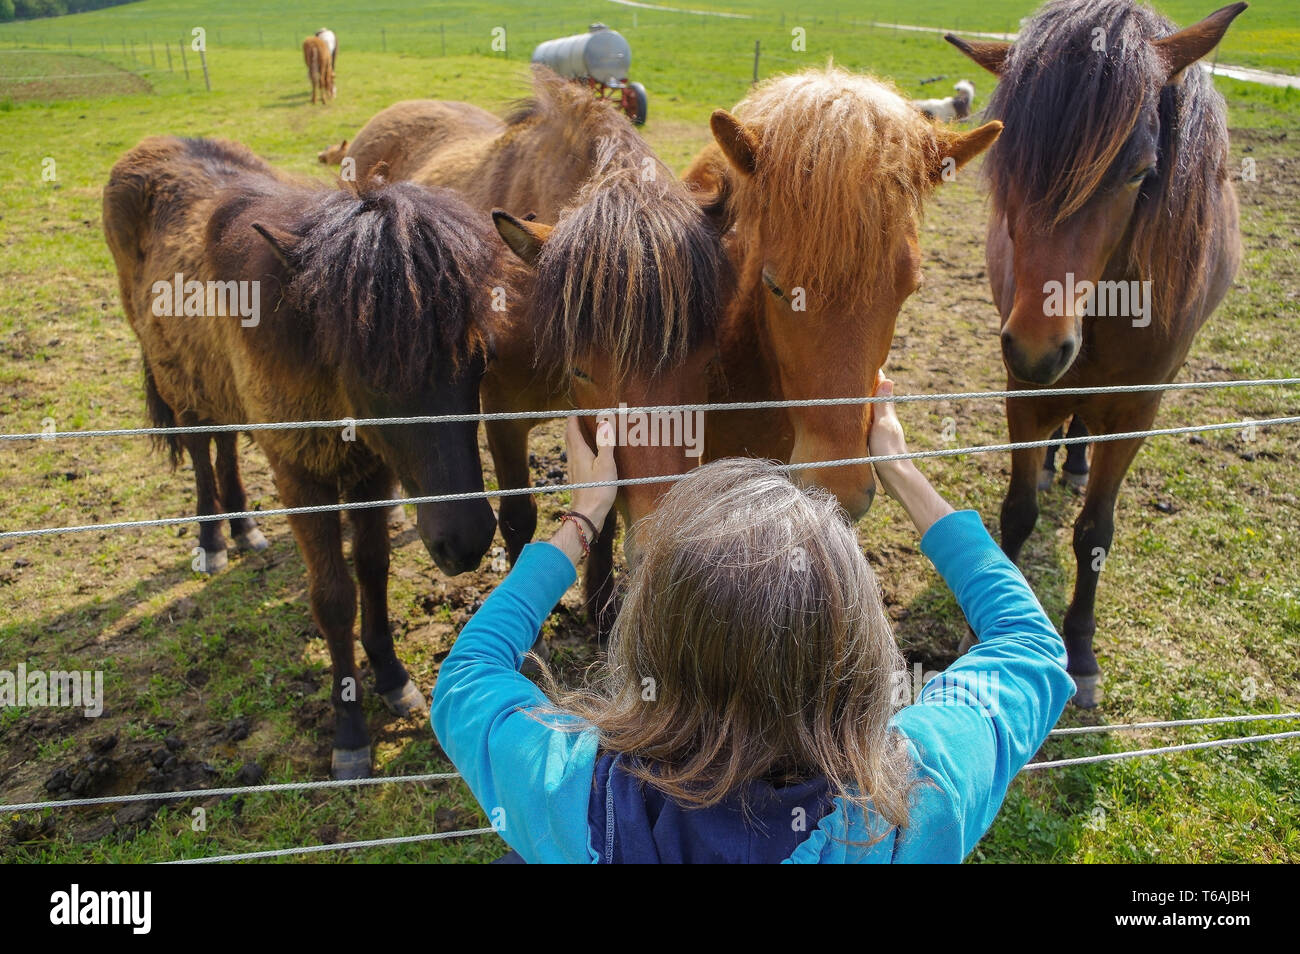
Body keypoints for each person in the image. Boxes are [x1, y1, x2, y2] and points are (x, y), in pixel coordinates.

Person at [431, 379, 1075, 863]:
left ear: (650, 636)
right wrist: (902, 472)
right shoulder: (914, 800)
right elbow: (1028, 644)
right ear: (855, 641)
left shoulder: (569, 791)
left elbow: (469, 673)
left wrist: (583, 518)